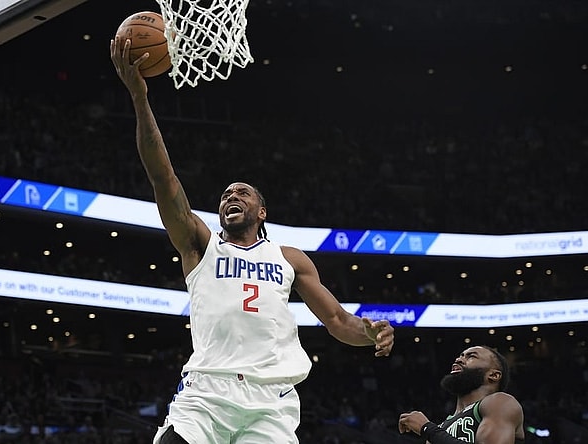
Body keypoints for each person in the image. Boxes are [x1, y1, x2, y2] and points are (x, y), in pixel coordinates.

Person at [109, 37, 396, 444]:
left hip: (271, 401)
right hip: (207, 392)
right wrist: (140, 99)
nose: (232, 196)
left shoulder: (291, 258)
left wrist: (369, 334)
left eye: (242, 193)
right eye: (226, 194)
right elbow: (162, 177)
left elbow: (337, 321)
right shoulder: (200, 244)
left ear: (262, 212)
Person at [398, 345, 525, 444]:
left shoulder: (500, 402)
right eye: (461, 356)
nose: (458, 359)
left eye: (471, 356)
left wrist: (426, 428)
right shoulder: (440, 429)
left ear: (493, 375)